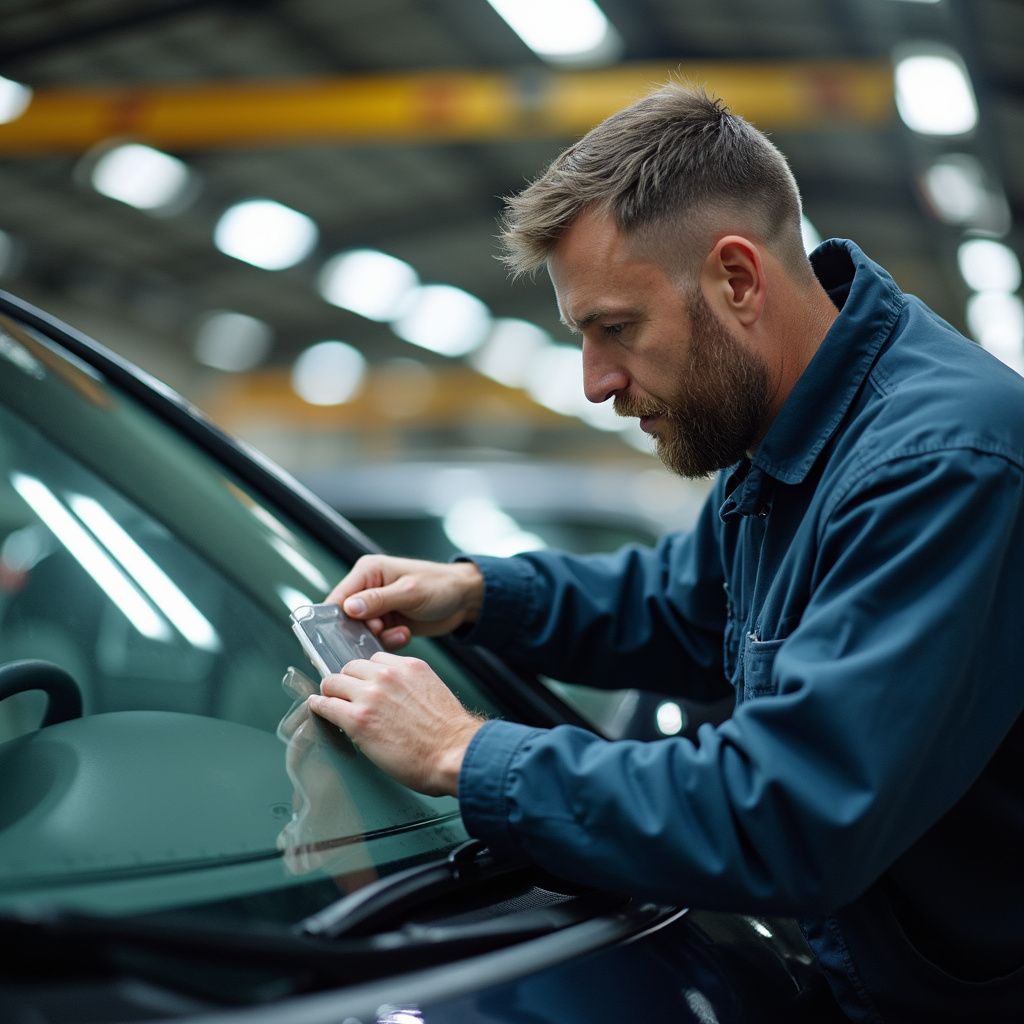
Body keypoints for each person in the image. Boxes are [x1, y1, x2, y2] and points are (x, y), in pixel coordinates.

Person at [307, 83, 1024, 1021]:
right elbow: (684, 610)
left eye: (616, 328)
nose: (597, 382)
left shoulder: (941, 463)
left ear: (736, 280)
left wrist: (461, 752)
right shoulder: (780, 431)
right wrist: (478, 592)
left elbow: (791, 815)